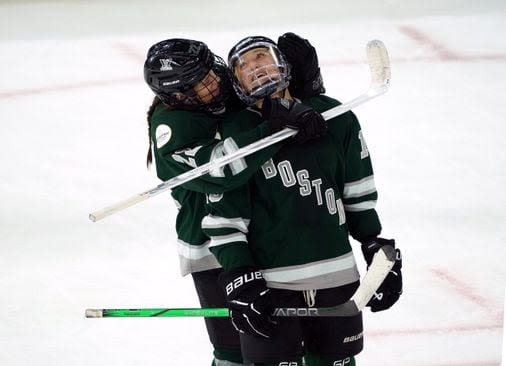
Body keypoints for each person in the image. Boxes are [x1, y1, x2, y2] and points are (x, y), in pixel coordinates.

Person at [202, 36, 403, 366]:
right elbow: (225, 221)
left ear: (283, 64)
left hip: (337, 277)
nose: (255, 67)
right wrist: (241, 279)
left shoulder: (334, 116)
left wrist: (374, 246)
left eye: (260, 57)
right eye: (243, 66)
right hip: (271, 284)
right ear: (236, 83)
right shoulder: (235, 135)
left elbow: (358, 194)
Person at [143, 35, 327, 366]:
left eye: (211, 70)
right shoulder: (169, 127)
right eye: (201, 83)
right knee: (233, 354)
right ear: (177, 95)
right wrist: (272, 128)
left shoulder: (221, 89)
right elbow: (223, 170)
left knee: (286, 347)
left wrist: (308, 87)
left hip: (259, 237)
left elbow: (279, 105)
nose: (215, 81)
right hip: (211, 250)